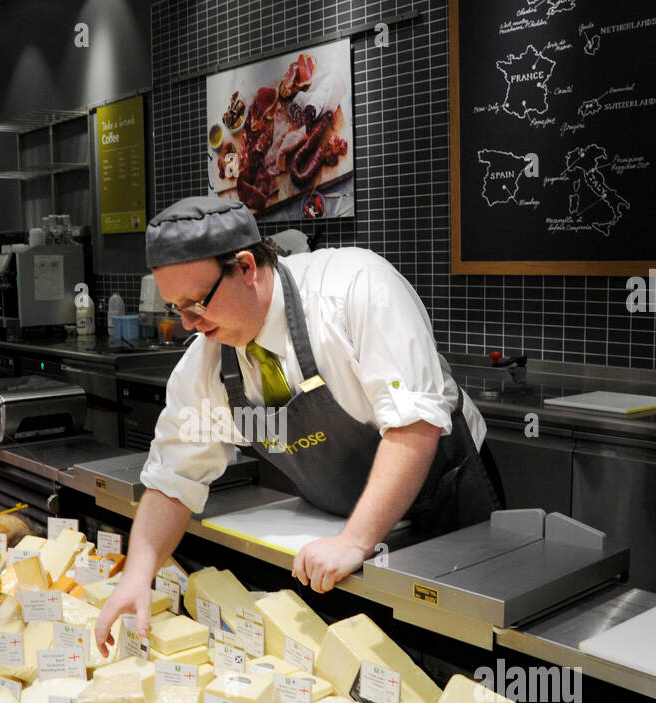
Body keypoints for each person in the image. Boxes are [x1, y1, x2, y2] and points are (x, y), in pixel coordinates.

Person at [94, 196, 498, 655]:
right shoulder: (205, 365)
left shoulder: (354, 288)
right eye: (176, 308)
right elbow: (172, 480)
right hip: (342, 526)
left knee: (456, 657)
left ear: (245, 267)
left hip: (446, 503)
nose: (188, 324)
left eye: (196, 304)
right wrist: (137, 576)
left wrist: (355, 540)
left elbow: (415, 426)